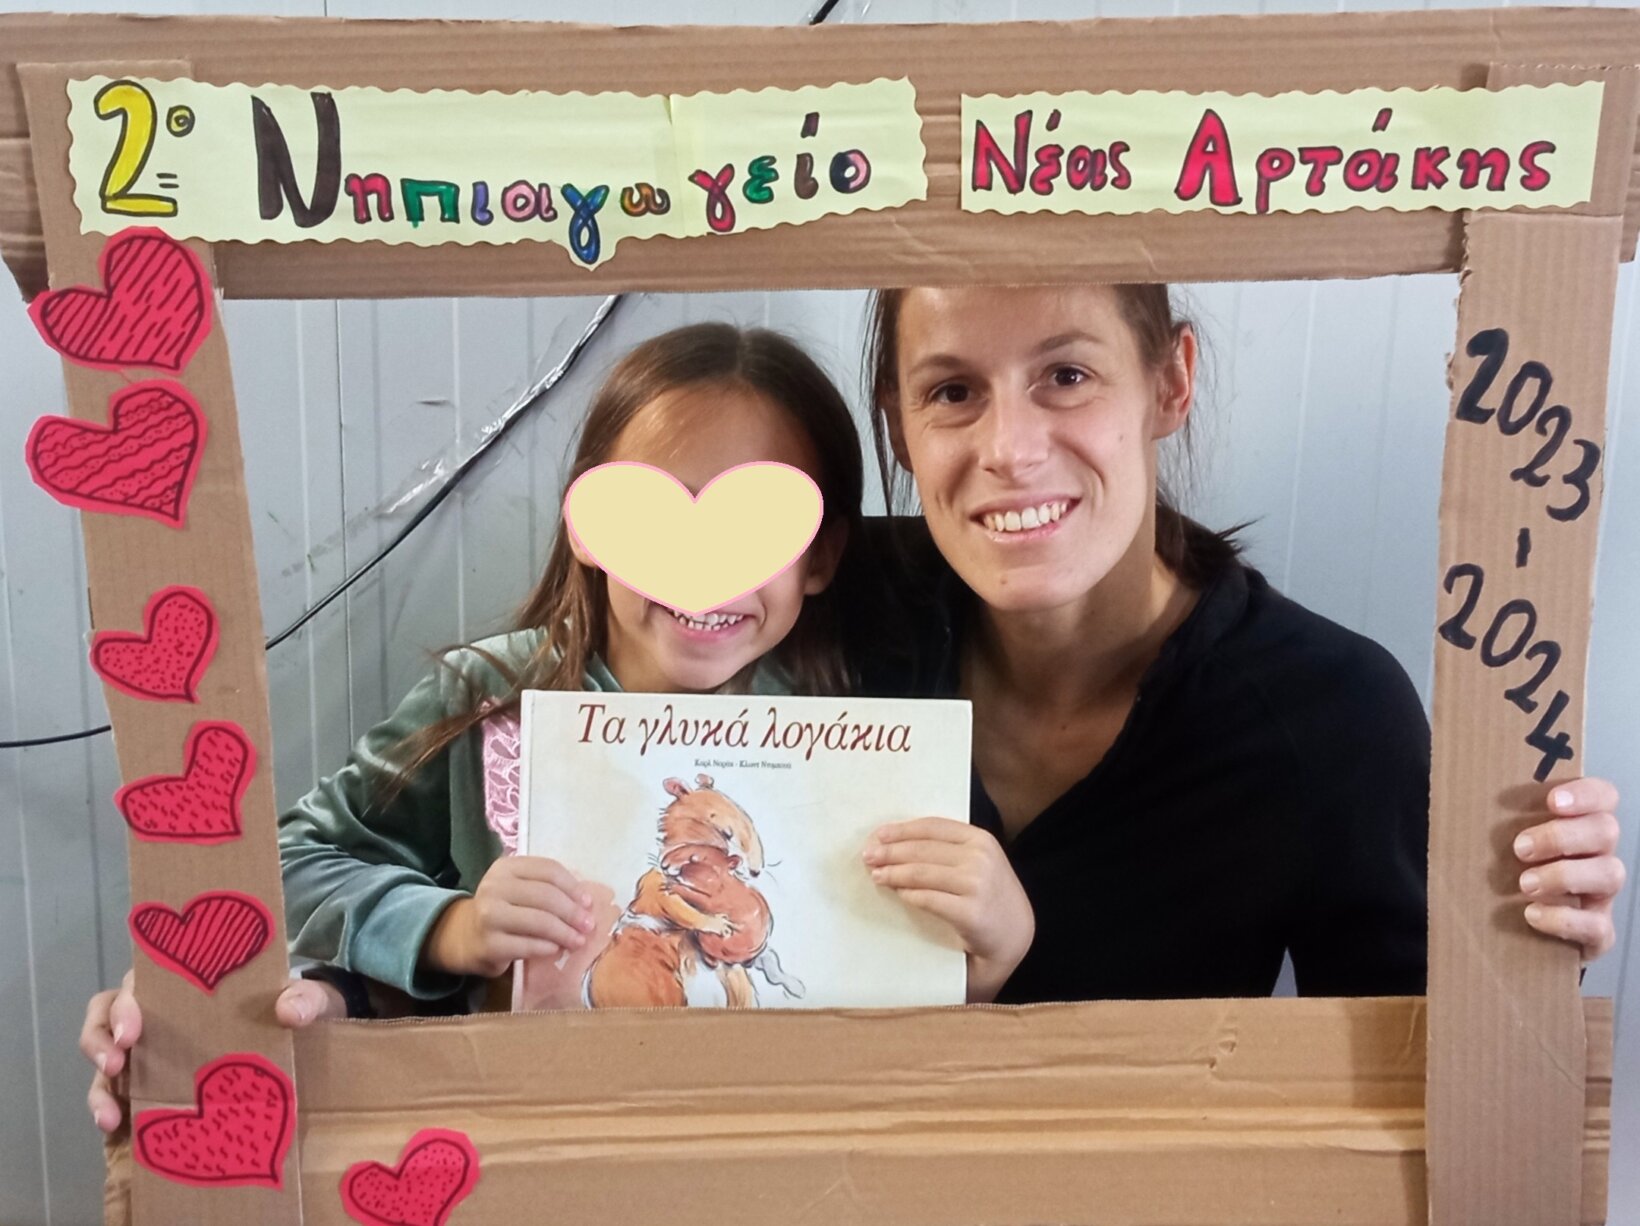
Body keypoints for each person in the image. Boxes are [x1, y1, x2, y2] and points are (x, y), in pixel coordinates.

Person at [81, 321, 1034, 1133]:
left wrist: (990, 955)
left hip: (779, 1145)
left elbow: (899, 1006)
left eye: (757, 530)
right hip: (531, 1141)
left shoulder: (866, 737)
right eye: (657, 518)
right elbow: (285, 864)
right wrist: (450, 928)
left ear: (820, 556)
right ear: (591, 527)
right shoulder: (489, 693)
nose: (707, 569)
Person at [855, 283, 1625, 1002]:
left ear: (1171, 383)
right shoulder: (831, 621)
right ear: (898, 425)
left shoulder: (1334, 714)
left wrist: (1524, 950)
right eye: (952, 392)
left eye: (1067, 376)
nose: (1009, 450)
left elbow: (1429, 1055)